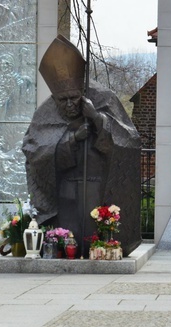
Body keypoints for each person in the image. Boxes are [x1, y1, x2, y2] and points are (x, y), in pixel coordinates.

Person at [22, 35, 142, 257]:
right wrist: (72, 139)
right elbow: (34, 151)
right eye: (62, 100)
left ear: (82, 93)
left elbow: (129, 141)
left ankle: (102, 250)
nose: (68, 104)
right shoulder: (46, 111)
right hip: (66, 192)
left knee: (95, 237)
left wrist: (96, 118)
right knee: (69, 240)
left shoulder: (103, 98)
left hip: (98, 189)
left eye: (73, 98)